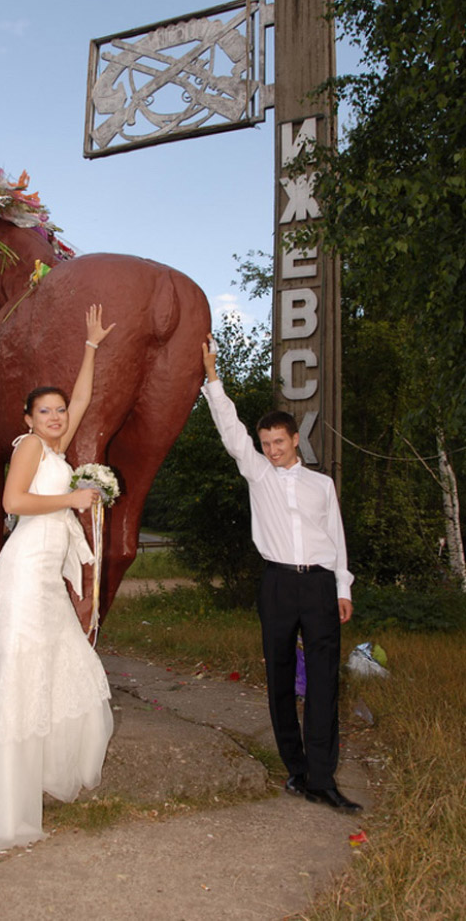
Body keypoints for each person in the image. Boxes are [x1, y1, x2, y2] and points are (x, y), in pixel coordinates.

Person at [0, 304, 115, 850]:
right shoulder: (29, 447)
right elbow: (13, 501)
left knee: (60, 664)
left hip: (44, 578)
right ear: (27, 418)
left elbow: (82, 399)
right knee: (19, 672)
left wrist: (91, 346)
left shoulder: (54, 445)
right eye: (46, 411)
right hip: (24, 571)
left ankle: (35, 773)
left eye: (59, 412)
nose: (57, 417)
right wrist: (73, 497)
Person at [201, 335, 362, 814]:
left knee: (324, 681)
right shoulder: (258, 474)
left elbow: (335, 536)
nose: (271, 450)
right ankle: (296, 770)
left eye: (278, 442)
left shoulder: (321, 484)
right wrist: (213, 375)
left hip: (317, 585)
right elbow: (230, 429)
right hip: (275, 584)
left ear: (296, 440)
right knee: (280, 679)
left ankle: (322, 779)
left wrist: (342, 586)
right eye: (265, 443)